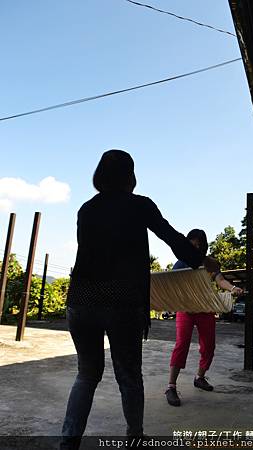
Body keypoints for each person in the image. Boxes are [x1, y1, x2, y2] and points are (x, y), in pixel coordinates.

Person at [60, 150, 213, 449]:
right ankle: (134, 438)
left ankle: (68, 443)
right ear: (130, 176)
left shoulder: (85, 210)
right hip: (123, 304)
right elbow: (172, 238)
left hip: (81, 302)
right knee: (129, 377)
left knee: (86, 375)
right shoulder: (140, 205)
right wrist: (201, 259)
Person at [165, 229, 243, 407]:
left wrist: (232, 288)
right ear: (187, 243)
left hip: (205, 308)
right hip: (185, 309)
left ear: (203, 246)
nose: (196, 246)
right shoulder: (180, 264)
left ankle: (199, 377)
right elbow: (173, 287)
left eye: (199, 243)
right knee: (181, 344)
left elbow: (220, 280)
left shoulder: (209, 263)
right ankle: (171, 387)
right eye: (192, 242)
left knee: (209, 345)